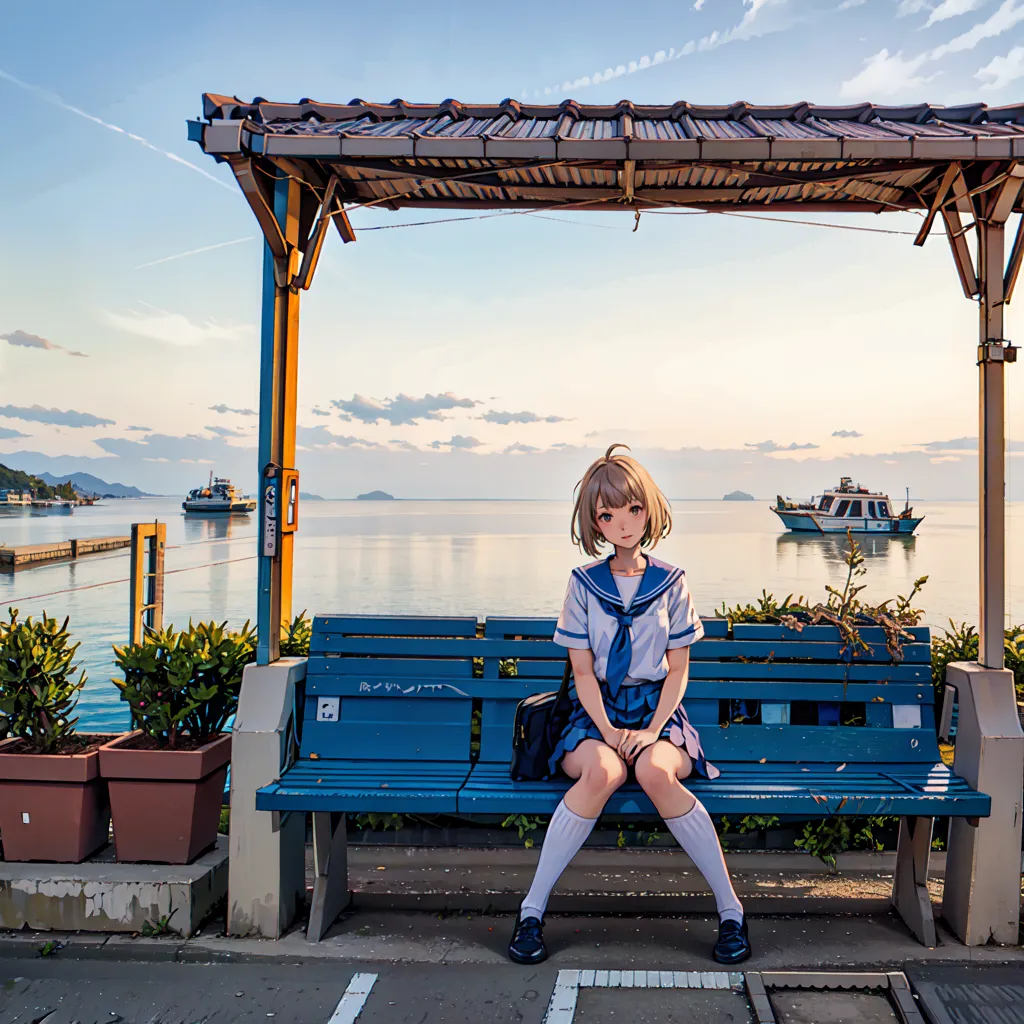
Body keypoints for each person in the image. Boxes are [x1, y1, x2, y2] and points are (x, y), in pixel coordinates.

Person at [508, 444, 751, 966]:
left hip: (659, 713)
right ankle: (531, 912)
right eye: (608, 513)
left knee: (659, 775)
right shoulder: (582, 585)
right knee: (602, 773)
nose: (624, 522)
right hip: (592, 715)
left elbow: (678, 669)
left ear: (650, 510)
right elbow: (580, 672)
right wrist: (610, 730)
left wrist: (651, 730)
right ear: (595, 520)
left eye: (634, 509)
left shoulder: (672, 583)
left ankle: (731, 912)